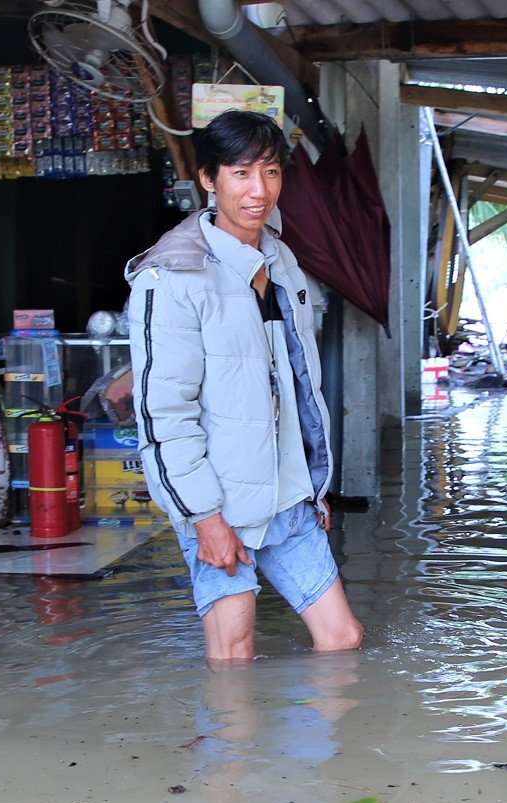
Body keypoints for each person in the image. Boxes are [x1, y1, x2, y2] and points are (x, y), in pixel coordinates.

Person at [124, 110, 364, 661]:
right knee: (234, 657)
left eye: (272, 172)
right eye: (242, 173)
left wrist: (314, 480)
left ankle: (314, 751)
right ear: (209, 179)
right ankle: (234, 750)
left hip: (289, 495)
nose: (260, 191)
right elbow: (165, 414)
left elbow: (299, 385)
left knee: (342, 641)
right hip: (221, 504)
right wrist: (204, 518)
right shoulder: (172, 276)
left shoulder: (281, 261)